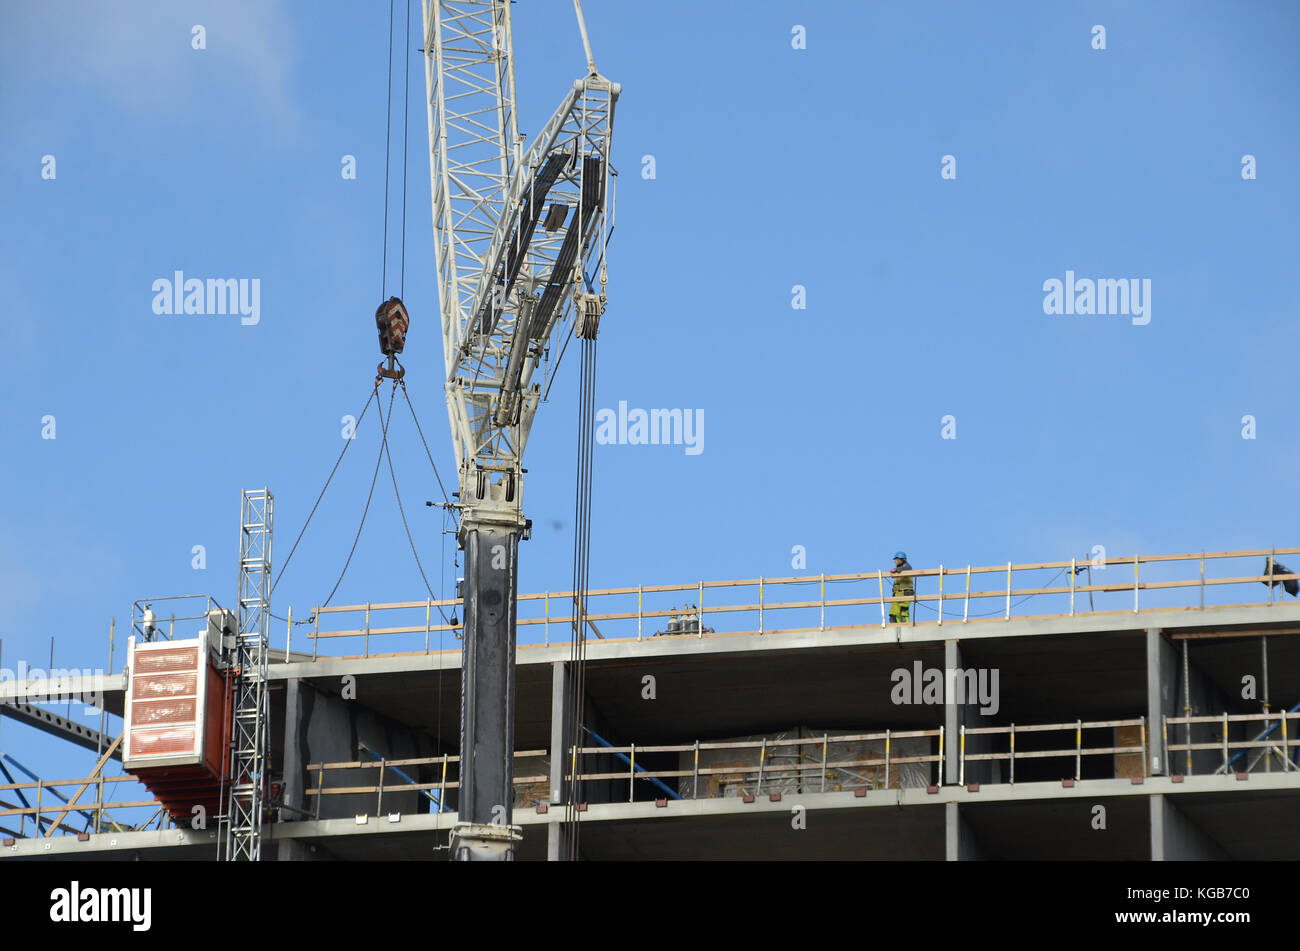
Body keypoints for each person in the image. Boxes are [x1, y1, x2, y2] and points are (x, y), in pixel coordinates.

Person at [889, 551, 913, 624]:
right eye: (895, 560)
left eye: (897, 560)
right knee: (893, 614)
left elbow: (907, 567)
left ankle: (906, 628)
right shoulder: (899, 570)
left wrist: (896, 570)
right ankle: (894, 628)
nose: (895, 561)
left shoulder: (906, 567)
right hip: (897, 595)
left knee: (903, 613)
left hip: (905, 593)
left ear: (903, 560)